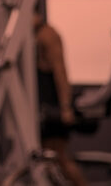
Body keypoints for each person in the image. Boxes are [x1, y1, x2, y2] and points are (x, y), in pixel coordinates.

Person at [34, 13, 88, 186]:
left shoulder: (47, 35)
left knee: (59, 158)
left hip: (53, 107)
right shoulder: (31, 36)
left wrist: (65, 108)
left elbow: (61, 73)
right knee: (46, 161)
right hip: (40, 110)